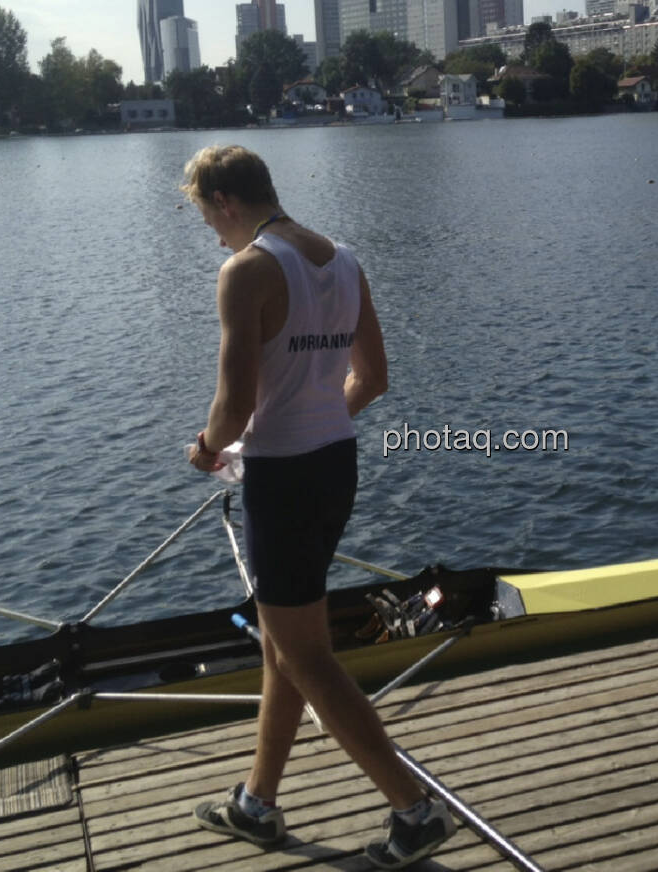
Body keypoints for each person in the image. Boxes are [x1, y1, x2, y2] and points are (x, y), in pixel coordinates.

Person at [180, 145, 455, 868]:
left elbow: (235, 405)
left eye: (209, 218)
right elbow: (374, 377)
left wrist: (207, 449)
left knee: (306, 653)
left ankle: (415, 810)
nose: (213, 235)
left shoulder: (246, 271)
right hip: (336, 464)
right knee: (284, 644)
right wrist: (316, 419)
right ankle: (256, 804)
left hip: (284, 480)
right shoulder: (344, 259)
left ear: (228, 203)